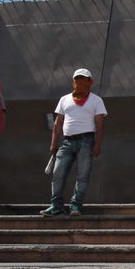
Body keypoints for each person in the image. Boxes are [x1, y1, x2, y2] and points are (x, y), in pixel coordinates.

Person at [41, 69, 107, 216]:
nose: (80, 82)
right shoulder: (64, 99)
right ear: (73, 82)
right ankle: (56, 206)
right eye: (77, 79)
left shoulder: (96, 100)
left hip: (86, 141)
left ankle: (75, 205)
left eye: (84, 79)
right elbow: (58, 123)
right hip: (67, 142)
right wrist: (53, 143)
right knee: (58, 174)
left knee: (82, 175)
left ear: (90, 81)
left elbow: (100, 124)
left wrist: (98, 144)